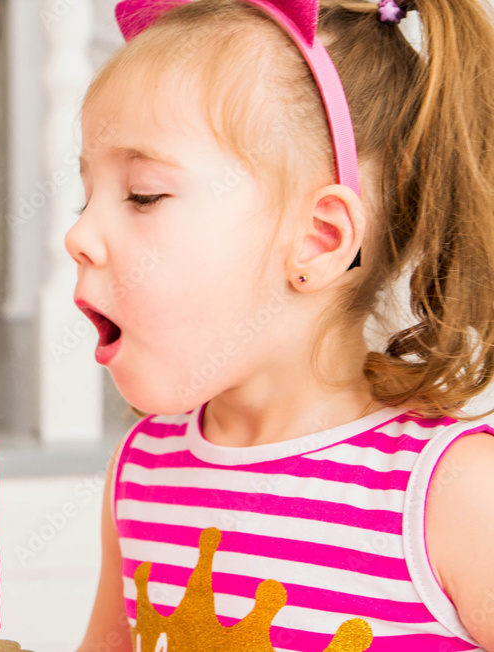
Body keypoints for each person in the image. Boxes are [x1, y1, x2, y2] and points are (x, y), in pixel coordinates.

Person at [66, 0, 494, 650]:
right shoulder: (142, 472)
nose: (78, 234)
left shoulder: (454, 497)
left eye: (143, 194)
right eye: (85, 194)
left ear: (318, 240)